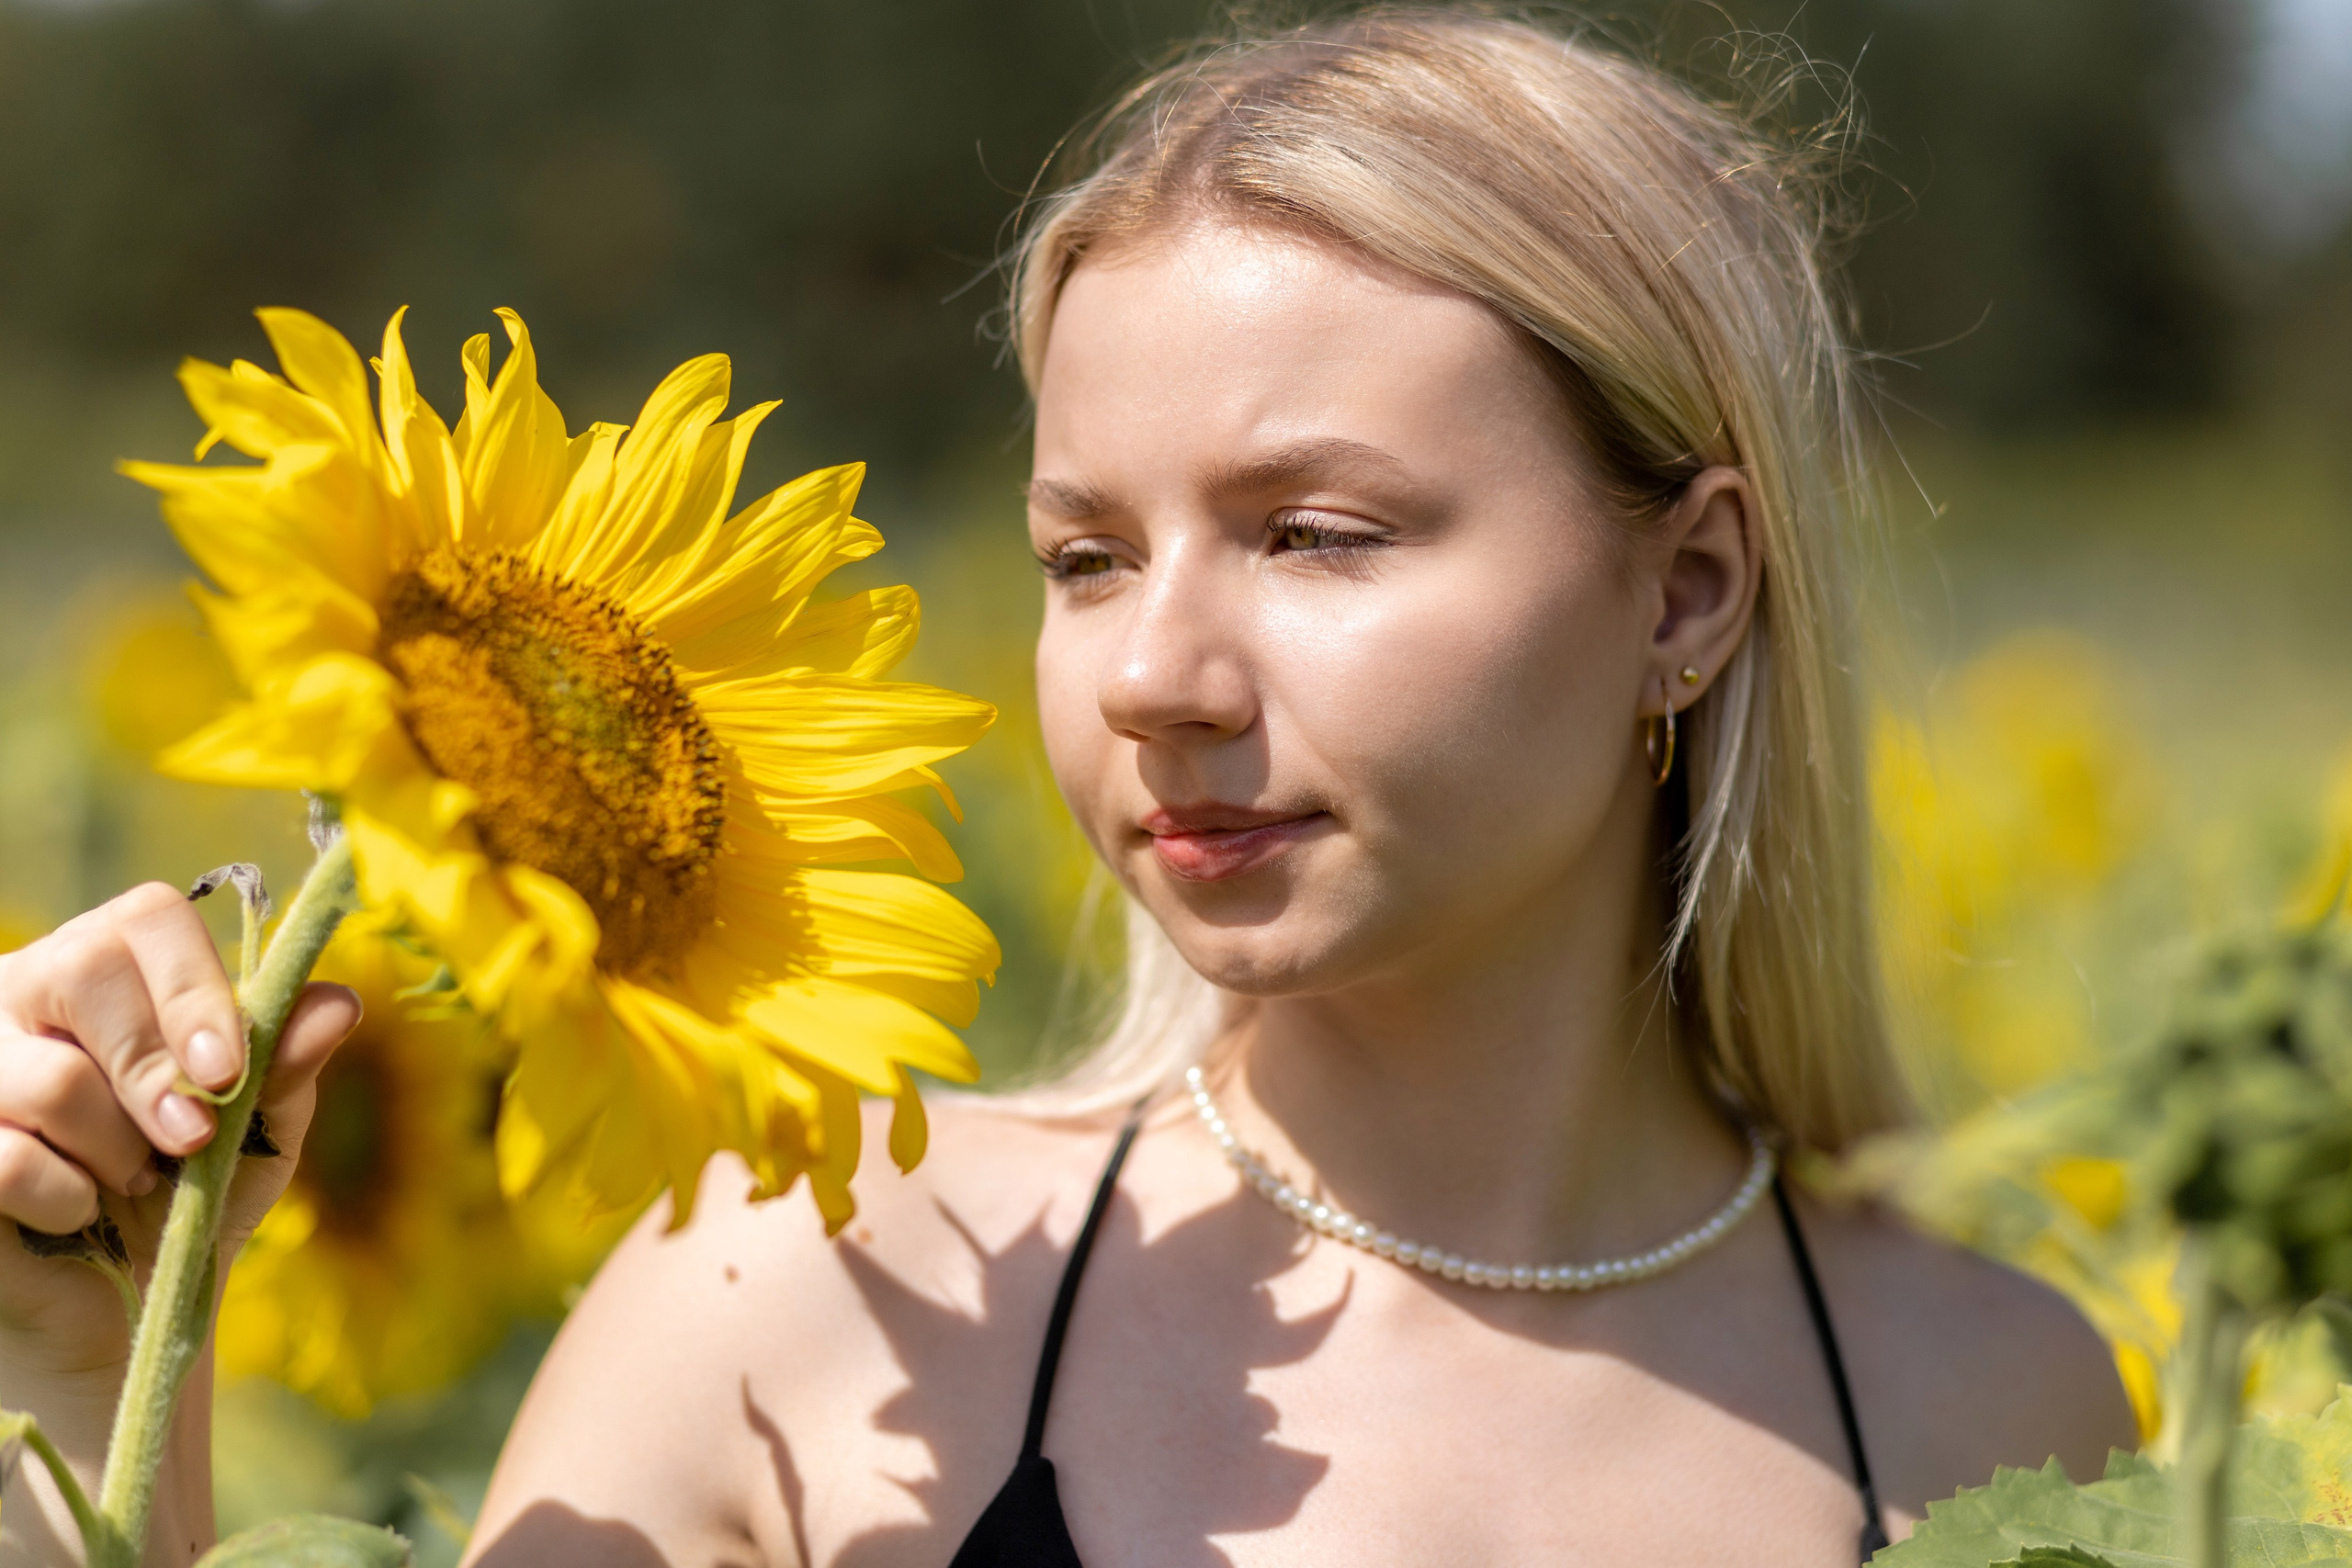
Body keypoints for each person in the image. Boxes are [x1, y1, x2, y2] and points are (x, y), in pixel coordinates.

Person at [0, 11, 2135, 1565]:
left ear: (1683, 588)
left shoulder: (1995, 1399)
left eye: (1315, 532)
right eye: (1085, 557)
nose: (1153, 678)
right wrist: (95, 1382)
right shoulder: (821, 1282)